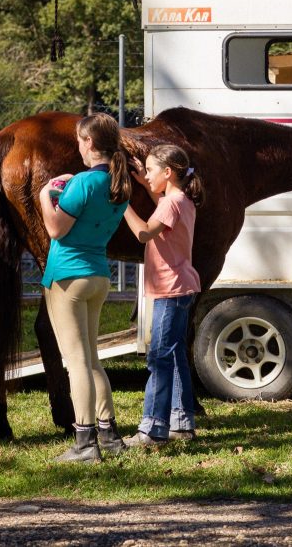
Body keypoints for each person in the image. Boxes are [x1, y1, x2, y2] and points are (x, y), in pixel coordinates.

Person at [39, 113, 131, 462]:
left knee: (75, 362)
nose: (78, 146)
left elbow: (55, 229)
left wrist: (45, 194)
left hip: (68, 277)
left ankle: (84, 442)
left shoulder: (82, 182)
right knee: (92, 359)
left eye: (80, 140)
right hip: (98, 275)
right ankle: (109, 435)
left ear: (89, 143)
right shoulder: (118, 183)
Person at [122, 144, 203, 448]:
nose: (147, 174)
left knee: (159, 357)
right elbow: (164, 206)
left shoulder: (170, 204)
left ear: (168, 173)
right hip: (181, 287)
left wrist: (123, 206)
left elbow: (144, 233)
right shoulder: (180, 200)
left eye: (151, 170)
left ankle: (153, 429)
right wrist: (145, 184)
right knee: (175, 352)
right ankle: (181, 422)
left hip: (170, 290)